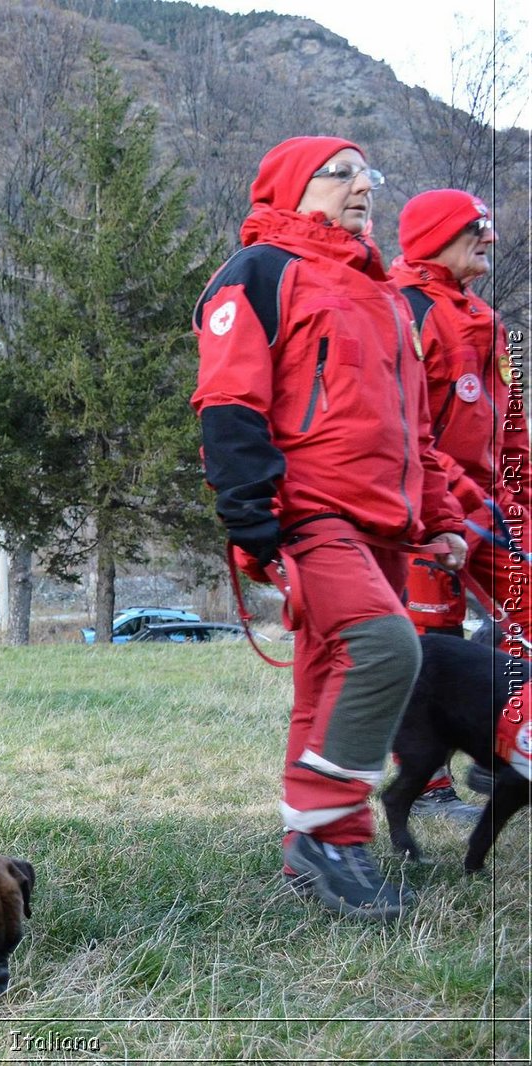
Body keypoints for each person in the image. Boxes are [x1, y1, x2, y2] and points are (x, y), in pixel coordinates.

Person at [192, 136, 466, 921]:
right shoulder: (259, 274)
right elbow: (228, 403)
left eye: (366, 174)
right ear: (288, 190)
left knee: (326, 681)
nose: (361, 186)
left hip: (385, 524)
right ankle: (325, 835)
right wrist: (254, 522)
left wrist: (442, 520)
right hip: (307, 512)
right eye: (339, 174)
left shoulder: (382, 294)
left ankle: (315, 855)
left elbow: (417, 428)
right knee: (387, 648)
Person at [392, 189, 519, 821]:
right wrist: (461, 503)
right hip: (426, 502)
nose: (490, 239)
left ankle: (505, 752)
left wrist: (515, 496)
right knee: (427, 636)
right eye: (476, 228)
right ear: (437, 235)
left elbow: (505, 425)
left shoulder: (488, 320)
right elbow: (408, 430)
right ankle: (429, 783)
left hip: (489, 504)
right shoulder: (403, 309)